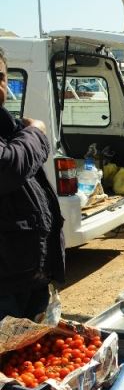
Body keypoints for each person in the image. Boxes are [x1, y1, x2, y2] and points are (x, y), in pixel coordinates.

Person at [0, 47, 65, 322]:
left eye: (0, 77)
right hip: (4, 290)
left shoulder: (9, 127)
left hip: (28, 278)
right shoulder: (27, 132)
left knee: (32, 347)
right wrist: (36, 133)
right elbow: (7, 167)